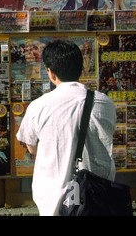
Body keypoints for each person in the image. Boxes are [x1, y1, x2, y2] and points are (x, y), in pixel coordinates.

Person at [16, 40, 116, 216]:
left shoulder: (39, 106)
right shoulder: (105, 103)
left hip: (54, 201)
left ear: (51, 72)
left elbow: (31, 146)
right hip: (97, 197)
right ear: (81, 69)